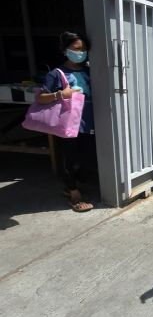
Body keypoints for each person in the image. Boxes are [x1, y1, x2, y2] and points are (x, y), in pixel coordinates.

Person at [38, 31, 95, 212]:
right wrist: (60, 94)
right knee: (70, 158)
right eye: (76, 49)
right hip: (68, 124)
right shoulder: (56, 74)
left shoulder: (88, 71)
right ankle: (74, 193)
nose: (81, 52)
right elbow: (41, 98)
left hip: (89, 123)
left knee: (88, 157)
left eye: (84, 49)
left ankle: (71, 184)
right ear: (64, 50)